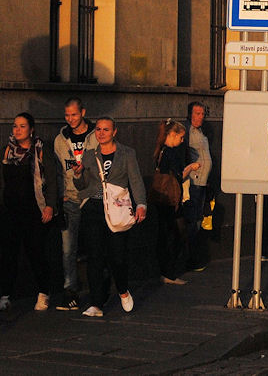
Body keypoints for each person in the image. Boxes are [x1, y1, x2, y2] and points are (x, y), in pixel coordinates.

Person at [72, 116, 146, 317]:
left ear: (114, 132)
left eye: (106, 130)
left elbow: (136, 181)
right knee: (95, 256)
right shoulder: (88, 155)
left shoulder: (127, 153)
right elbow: (82, 185)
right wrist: (78, 174)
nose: (101, 133)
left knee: (117, 256)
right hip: (93, 209)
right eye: (98, 129)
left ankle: (122, 290)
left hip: (117, 209)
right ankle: (96, 303)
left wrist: (141, 205)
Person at [0, 113, 59, 312]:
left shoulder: (41, 150)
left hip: (34, 211)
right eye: (15, 126)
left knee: (36, 253)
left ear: (31, 129)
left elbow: (51, 179)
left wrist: (50, 205)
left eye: (22, 126)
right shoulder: (7, 151)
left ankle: (44, 292)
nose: (17, 130)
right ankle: (5, 294)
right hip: (10, 211)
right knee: (8, 254)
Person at [52, 98, 97, 310]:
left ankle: (98, 290)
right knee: (68, 249)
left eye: (74, 115)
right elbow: (60, 170)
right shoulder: (61, 139)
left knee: (94, 246)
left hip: (92, 198)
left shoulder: (96, 135)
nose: (70, 119)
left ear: (83, 113)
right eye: (67, 115)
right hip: (69, 199)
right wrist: (61, 195)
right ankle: (70, 291)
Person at [153, 120, 199, 285]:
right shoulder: (170, 153)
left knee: (167, 234)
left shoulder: (160, 151)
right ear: (172, 135)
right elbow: (179, 175)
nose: (181, 141)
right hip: (171, 200)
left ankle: (166, 271)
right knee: (175, 235)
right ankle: (169, 272)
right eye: (180, 137)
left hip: (162, 199)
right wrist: (191, 167)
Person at [184, 101, 214, 272]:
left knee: (198, 218)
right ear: (190, 114)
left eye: (202, 114)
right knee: (192, 219)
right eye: (197, 113)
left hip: (202, 181)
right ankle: (191, 258)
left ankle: (194, 256)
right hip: (193, 182)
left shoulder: (200, 131)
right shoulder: (188, 130)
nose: (200, 117)